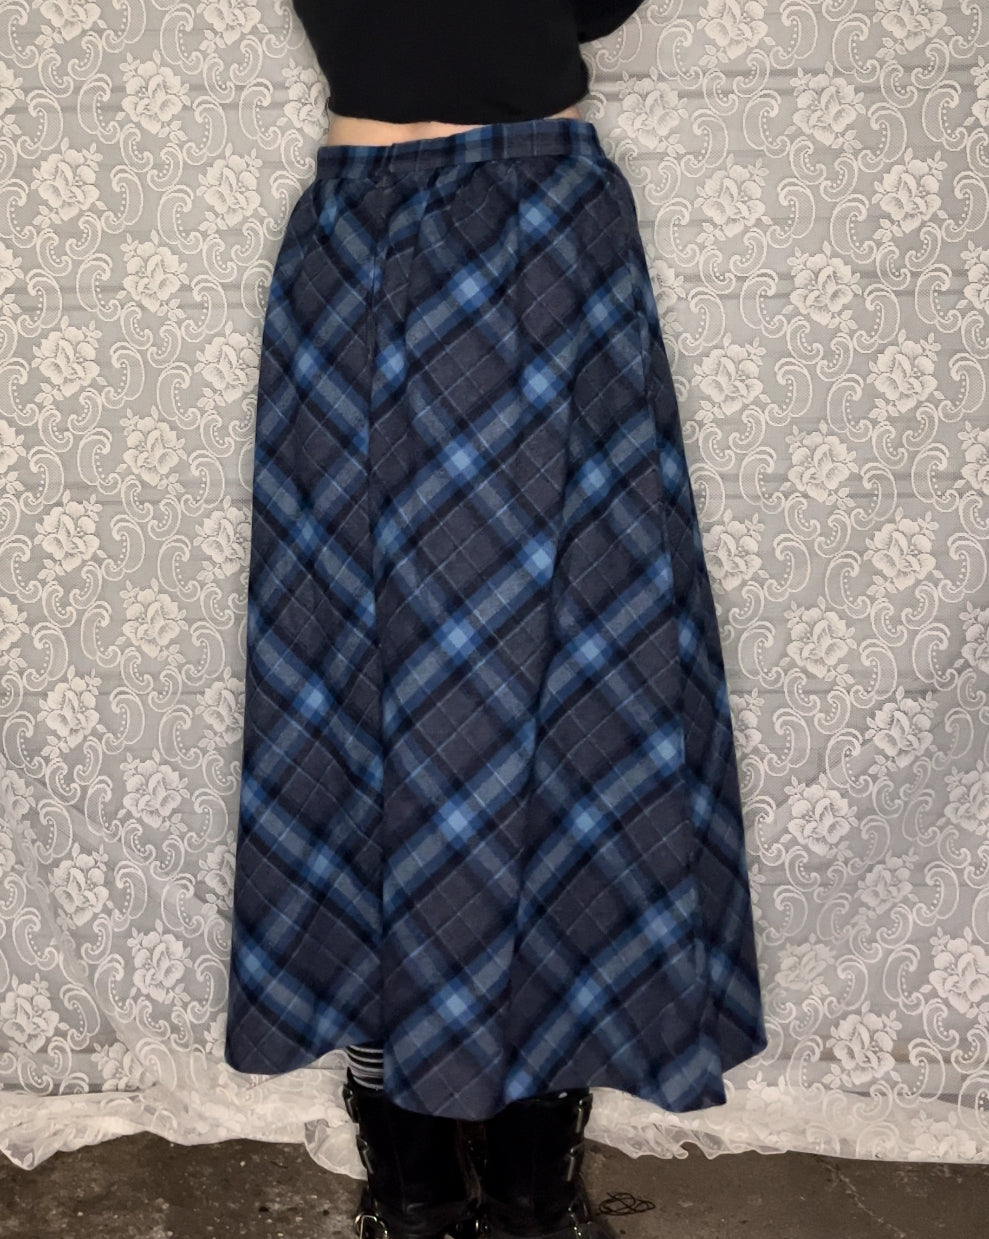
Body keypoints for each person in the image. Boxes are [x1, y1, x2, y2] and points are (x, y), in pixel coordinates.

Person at [224, 4, 768, 1237]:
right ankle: (462, 1183)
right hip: (501, 231)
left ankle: (473, 1182)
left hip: (447, 236)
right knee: (492, 695)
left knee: (485, 693)